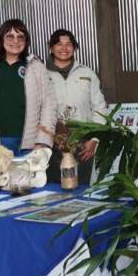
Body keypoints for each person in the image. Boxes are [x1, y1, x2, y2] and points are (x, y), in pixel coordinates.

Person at [0, 19, 55, 154]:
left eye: (20, 37)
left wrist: (42, 141)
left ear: (26, 41)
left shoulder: (37, 68)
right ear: (0, 39)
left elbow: (48, 105)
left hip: (30, 143)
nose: (15, 41)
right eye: (10, 36)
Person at [45, 29, 107, 184]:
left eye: (69, 44)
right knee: (55, 190)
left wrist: (93, 139)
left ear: (74, 48)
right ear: (51, 47)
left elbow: (100, 107)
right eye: (59, 44)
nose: (64, 49)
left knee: (82, 187)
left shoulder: (87, 73)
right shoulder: (42, 74)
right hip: (53, 142)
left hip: (83, 143)